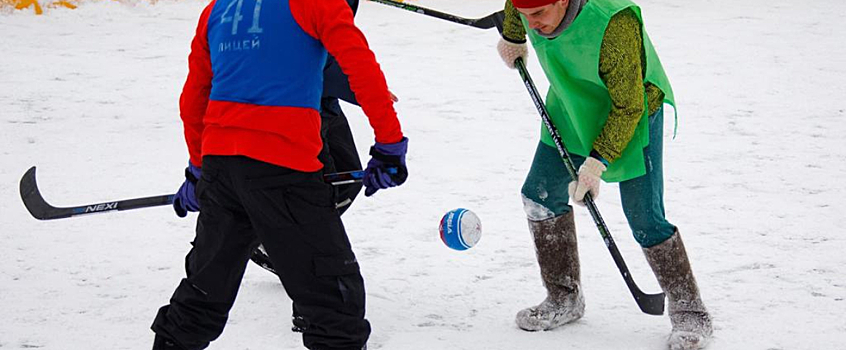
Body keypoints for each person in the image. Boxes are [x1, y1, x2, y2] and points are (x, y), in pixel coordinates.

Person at [156, 0, 408, 348]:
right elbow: (361, 70)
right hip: (285, 170)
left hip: (222, 167)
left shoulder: (218, 9)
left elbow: (194, 98)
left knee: (202, 296)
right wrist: (389, 146)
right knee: (335, 307)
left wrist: (200, 171)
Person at [496, 0, 712, 349]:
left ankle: (690, 310)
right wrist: (513, 35)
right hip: (572, 102)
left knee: (644, 217)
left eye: (538, 14)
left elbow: (629, 106)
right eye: (526, 16)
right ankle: (563, 296)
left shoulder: (613, 23)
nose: (532, 24)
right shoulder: (528, 8)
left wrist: (595, 164)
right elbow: (515, 6)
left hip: (632, 110)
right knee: (539, 196)